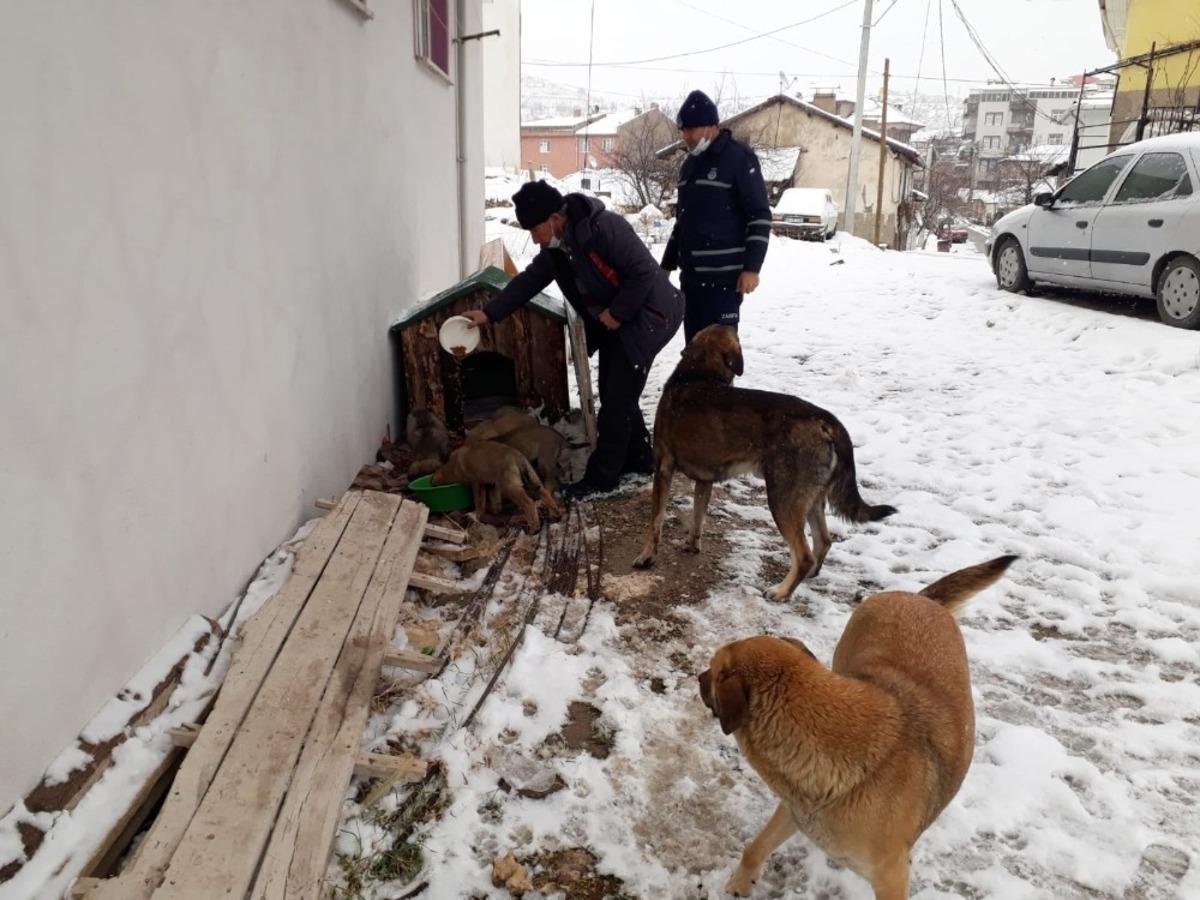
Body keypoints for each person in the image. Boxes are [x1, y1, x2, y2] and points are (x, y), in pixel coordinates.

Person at [461, 181, 683, 499]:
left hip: (651, 315)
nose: (535, 238)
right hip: (620, 319)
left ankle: (603, 477)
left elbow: (645, 273)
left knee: (617, 397)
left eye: (536, 229)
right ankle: (640, 459)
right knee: (614, 389)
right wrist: (489, 314)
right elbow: (528, 281)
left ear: (555, 217)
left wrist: (617, 313)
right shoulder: (558, 249)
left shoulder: (604, 228)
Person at [661, 89, 772, 343]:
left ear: (712, 126)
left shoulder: (739, 159)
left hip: (724, 282)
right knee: (694, 354)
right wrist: (666, 266)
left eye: (692, 129)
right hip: (691, 281)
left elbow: (760, 216)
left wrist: (752, 268)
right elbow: (683, 222)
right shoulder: (689, 166)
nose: (686, 136)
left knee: (718, 357)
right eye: (683, 130)